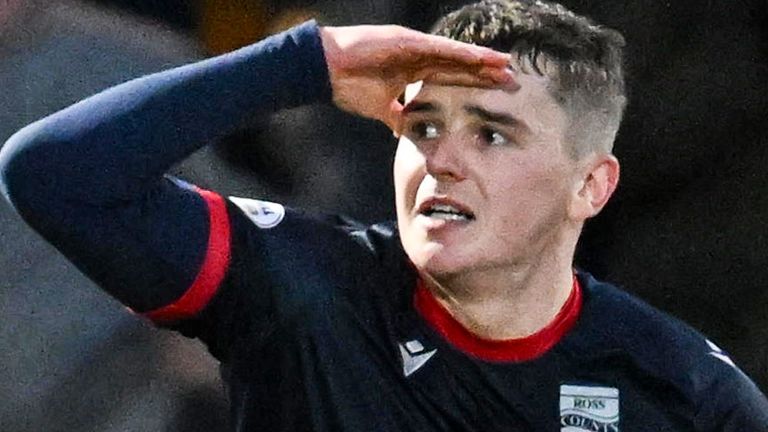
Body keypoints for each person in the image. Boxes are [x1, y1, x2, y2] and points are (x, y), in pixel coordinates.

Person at [1, 0, 767, 430]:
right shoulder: (306, 284)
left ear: (588, 187)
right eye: (424, 127)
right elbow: (56, 174)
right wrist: (308, 63)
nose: (443, 160)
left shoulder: (677, 382)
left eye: (492, 135)